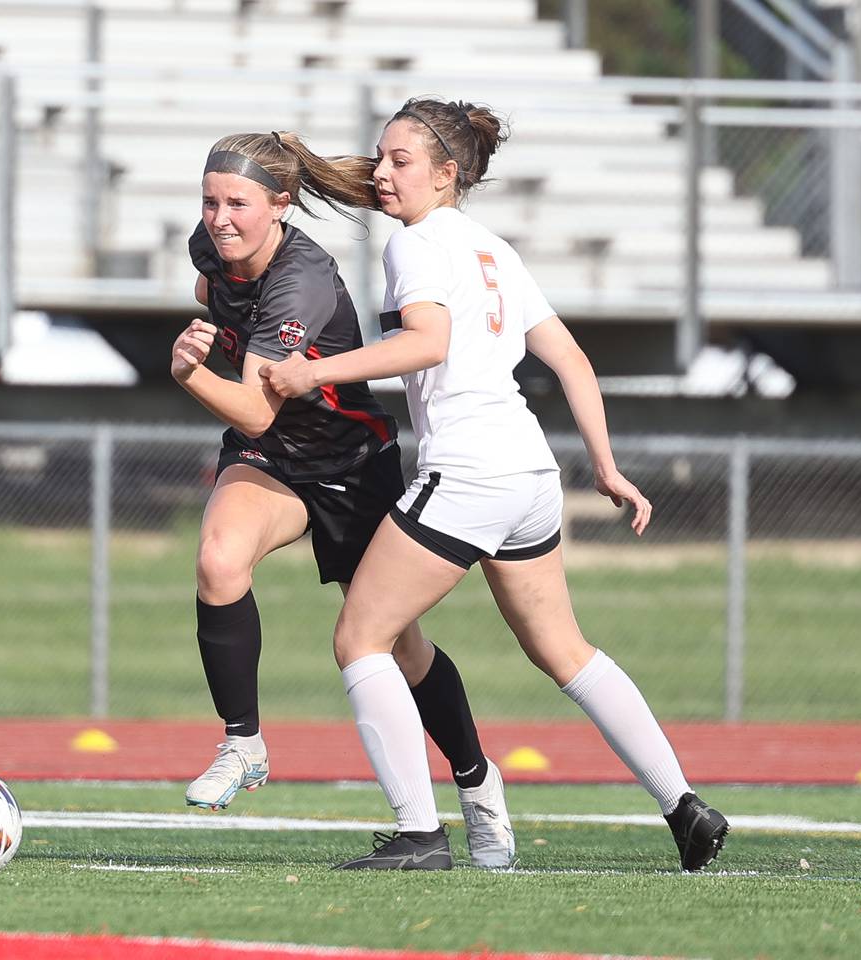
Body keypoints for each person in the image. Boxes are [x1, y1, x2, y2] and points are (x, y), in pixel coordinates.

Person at [263, 98, 729, 872]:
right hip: (531, 474)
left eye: (400, 160)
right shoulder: (492, 248)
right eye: (379, 157)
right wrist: (606, 467)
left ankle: (419, 835)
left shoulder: (415, 245)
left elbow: (427, 342)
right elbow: (572, 361)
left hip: (472, 472)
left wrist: (314, 371)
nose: (383, 172)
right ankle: (683, 805)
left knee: (361, 637)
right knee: (565, 651)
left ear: (447, 175)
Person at [172, 131, 514, 868]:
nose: (219, 218)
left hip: (348, 463)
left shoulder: (303, 280)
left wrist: (193, 374)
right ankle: (243, 745)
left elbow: (256, 408)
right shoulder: (211, 249)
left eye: (238, 203)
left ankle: (478, 783)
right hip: (270, 458)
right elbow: (213, 294)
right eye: (210, 201)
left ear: (281, 206)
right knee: (219, 559)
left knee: (400, 647)